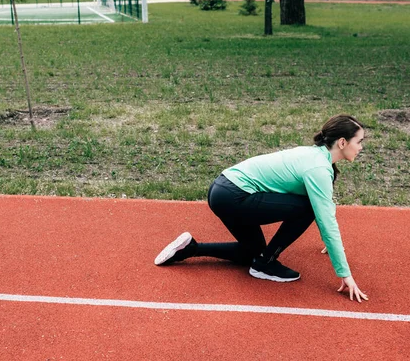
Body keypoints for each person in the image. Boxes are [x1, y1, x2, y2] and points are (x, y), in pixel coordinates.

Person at [154, 114, 369, 302]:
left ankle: (190, 248)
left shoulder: (313, 155)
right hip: (234, 196)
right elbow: (325, 218)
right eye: (359, 142)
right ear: (342, 142)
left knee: (251, 251)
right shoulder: (318, 169)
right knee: (307, 208)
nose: (361, 147)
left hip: (222, 188)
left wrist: (326, 240)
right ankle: (266, 262)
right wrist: (344, 274)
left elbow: (325, 208)